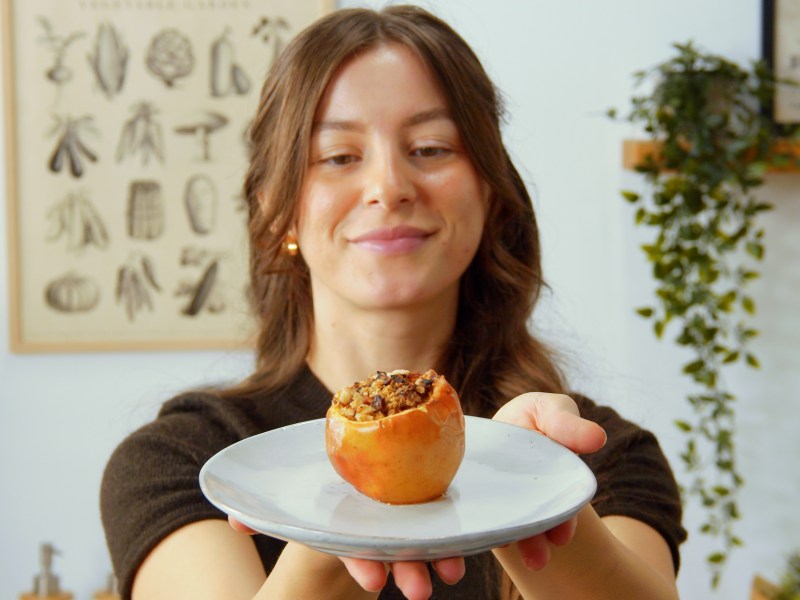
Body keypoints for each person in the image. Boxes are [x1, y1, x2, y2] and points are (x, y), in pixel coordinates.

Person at [100, 5, 687, 600]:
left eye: (431, 149)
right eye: (339, 157)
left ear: (490, 194)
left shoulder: (592, 454)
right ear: (278, 209)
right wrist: (341, 522)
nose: (389, 187)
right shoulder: (182, 462)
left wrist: (531, 490)